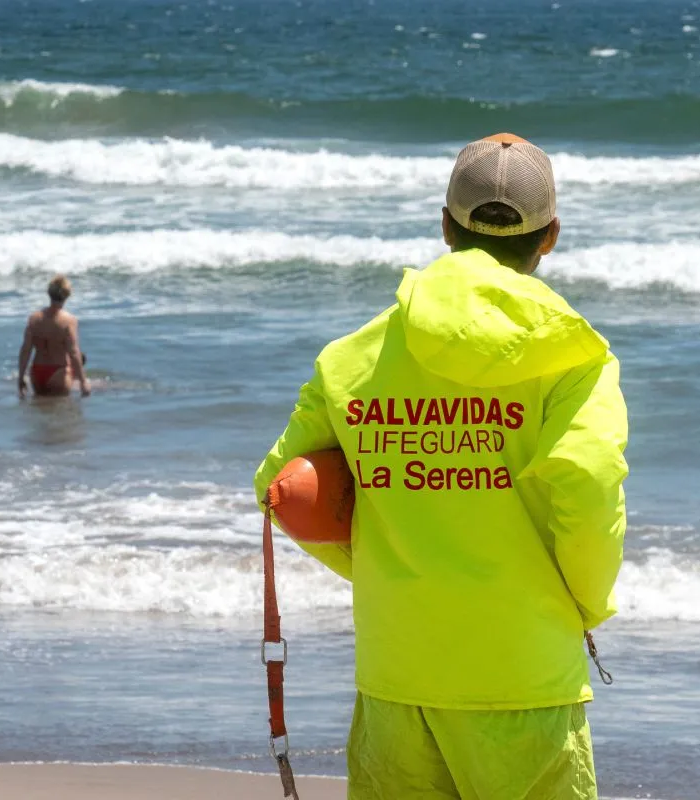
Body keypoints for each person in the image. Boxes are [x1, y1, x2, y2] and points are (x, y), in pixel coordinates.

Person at [254, 133, 628, 798]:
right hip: (525, 674)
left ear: (446, 226)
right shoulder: (573, 353)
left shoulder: (350, 358)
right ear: (551, 237)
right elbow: (588, 481)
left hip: (398, 675)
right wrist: (585, 604)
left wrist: (379, 562)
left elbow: (281, 491)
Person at [17, 275, 91, 397]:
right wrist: (83, 381)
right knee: (61, 412)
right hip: (58, 372)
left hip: (37, 372)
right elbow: (73, 352)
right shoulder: (69, 321)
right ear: (67, 295)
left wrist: (21, 377)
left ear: (49, 293)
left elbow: (26, 349)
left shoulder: (34, 319)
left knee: (40, 409)